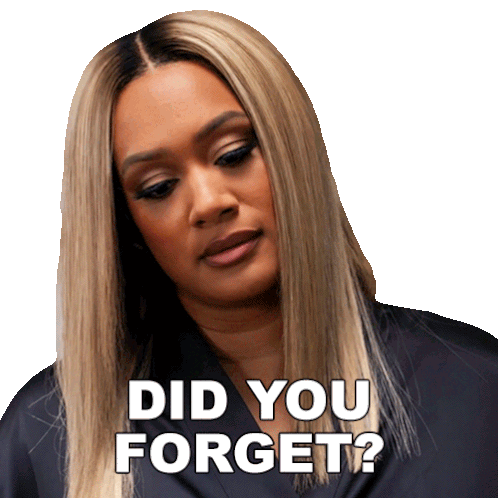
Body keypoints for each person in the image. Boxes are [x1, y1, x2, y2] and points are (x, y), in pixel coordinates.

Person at [1, 10, 497, 498]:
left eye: (234, 154)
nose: (208, 202)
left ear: (295, 150)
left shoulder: (475, 386)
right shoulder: (43, 435)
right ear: (124, 225)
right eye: (158, 187)